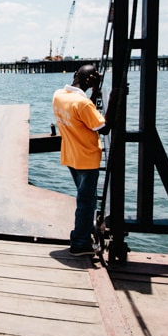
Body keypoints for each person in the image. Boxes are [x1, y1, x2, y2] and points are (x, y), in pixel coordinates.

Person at [52, 64, 111, 256]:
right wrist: (113, 100)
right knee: (87, 202)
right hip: (87, 157)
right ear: (90, 80)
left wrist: (93, 91)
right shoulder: (83, 104)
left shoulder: (59, 95)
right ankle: (80, 242)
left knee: (84, 198)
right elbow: (103, 127)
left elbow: (86, 114)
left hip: (71, 155)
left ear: (75, 75)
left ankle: (81, 233)